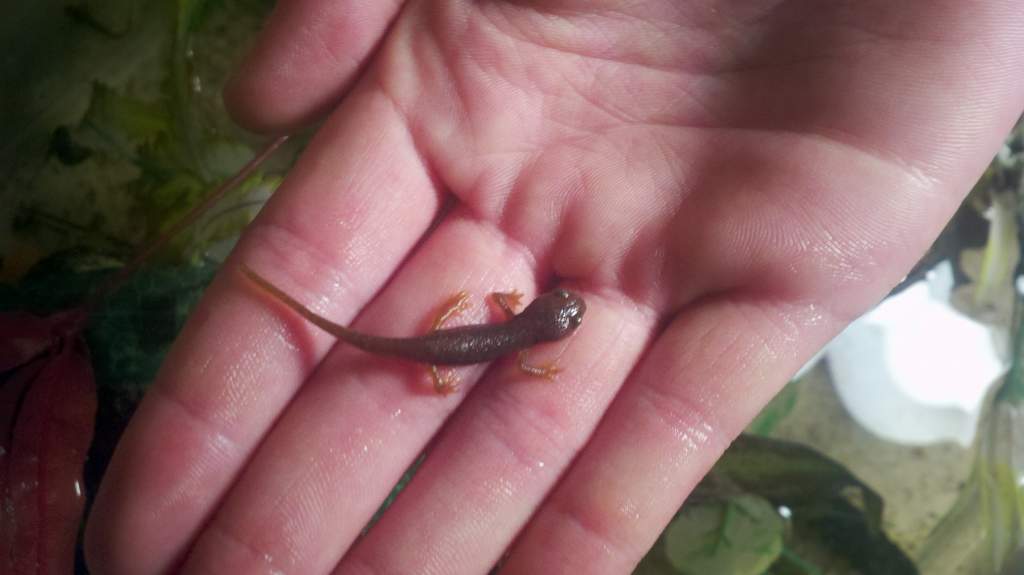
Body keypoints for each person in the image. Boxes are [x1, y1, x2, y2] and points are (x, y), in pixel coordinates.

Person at [85, 2, 1024, 573]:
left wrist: (490, 327)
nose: (559, 313)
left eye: (556, 317)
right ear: (545, 322)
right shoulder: (530, 339)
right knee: (408, 361)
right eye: (558, 316)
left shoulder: (522, 329)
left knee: (413, 360)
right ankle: (307, 313)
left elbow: (515, 338)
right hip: (450, 350)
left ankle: (319, 316)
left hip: (455, 345)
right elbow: (523, 353)